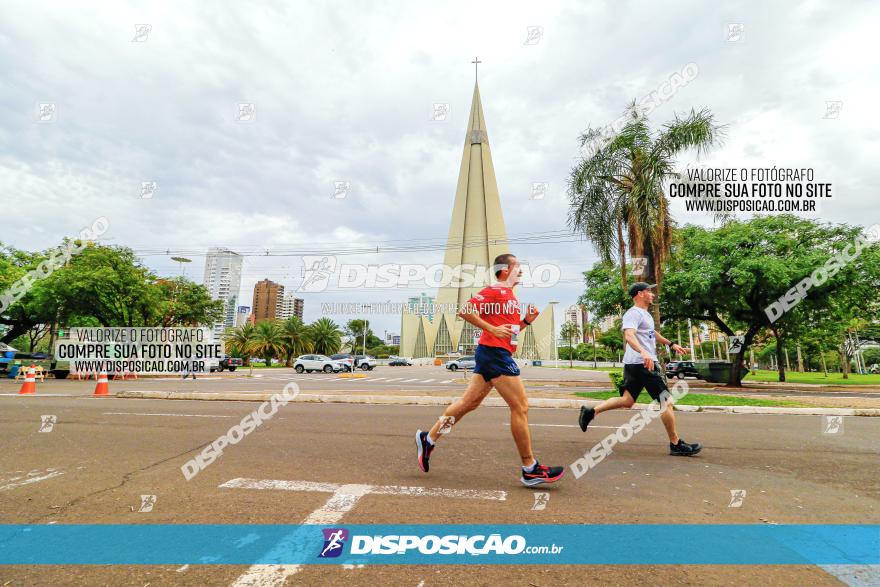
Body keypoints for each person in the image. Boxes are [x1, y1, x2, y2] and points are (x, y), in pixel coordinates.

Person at [415, 253, 565, 487]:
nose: (522, 271)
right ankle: (530, 468)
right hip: (494, 354)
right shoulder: (495, 289)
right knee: (520, 406)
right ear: (505, 270)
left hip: (493, 353)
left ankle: (429, 438)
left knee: (468, 403)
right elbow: (465, 310)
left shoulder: (510, 297)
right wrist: (491, 330)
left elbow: (509, 331)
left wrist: (526, 322)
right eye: (518, 267)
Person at [578, 282, 702, 456]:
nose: (652, 294)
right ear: (640, 294)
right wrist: (644, 352)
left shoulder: (646, 315)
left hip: (635, 363)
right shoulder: (633, 313)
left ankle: (591, 412)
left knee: (628, 400)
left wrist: (671, 344)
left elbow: (652, 334)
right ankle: (676, 444)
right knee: (665, 402)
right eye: (649, 291)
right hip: (642, 363)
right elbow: (629, 335)